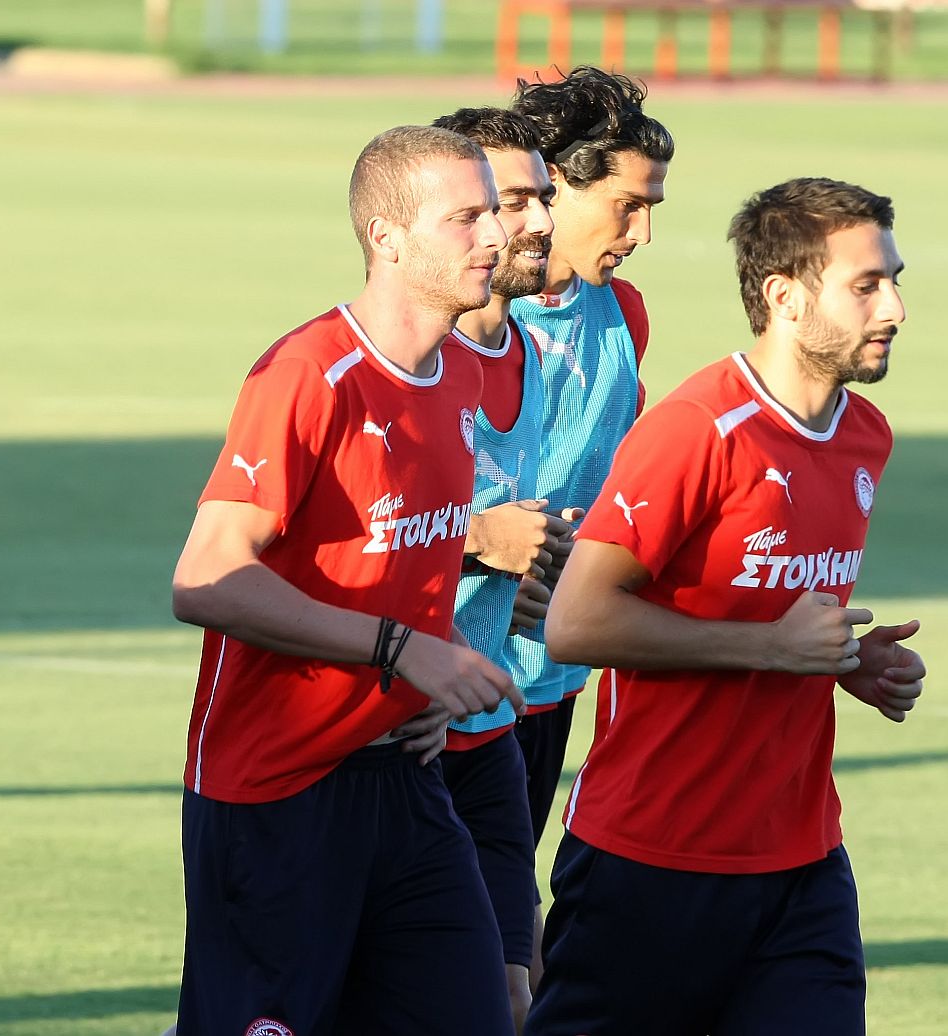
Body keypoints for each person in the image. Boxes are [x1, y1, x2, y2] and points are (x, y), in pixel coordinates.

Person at [527, 177, 924, 1035]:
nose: (894, 304)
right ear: (784, 296)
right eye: (867, 285)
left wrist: (850, 661)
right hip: (650, 861)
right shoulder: (698, 429)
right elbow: (578, 620)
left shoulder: (865, 437)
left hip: (803, 859)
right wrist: (773, 648)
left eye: (895, 279)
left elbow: (774, 613)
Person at [171, 124, 521, 1035]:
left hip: (407, 781)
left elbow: (405, 558)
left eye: (495, 214)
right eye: (466, 219)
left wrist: (427, 677)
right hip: (276, 792)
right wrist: (404, 651)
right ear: (387, 238)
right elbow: (206, 579)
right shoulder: (309, 373)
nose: (495, 237)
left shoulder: (454, 380)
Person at [504, 65, 673, 984]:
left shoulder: (624, 317)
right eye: (625, 204)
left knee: (505, 911)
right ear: (552, 188)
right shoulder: (468, 314)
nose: (642, 232)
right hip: (446, 672)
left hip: (552, 669)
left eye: (652, 207)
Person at [429, 105, 562, 1034]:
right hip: (381, 744)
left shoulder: (538, 360)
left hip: (490, 734)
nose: (542, 224)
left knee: (510, 1000)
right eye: (514, 201)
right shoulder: (391, 361)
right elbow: (307, 551)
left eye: (543, 199)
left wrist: (533, 579)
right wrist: (478, 539)